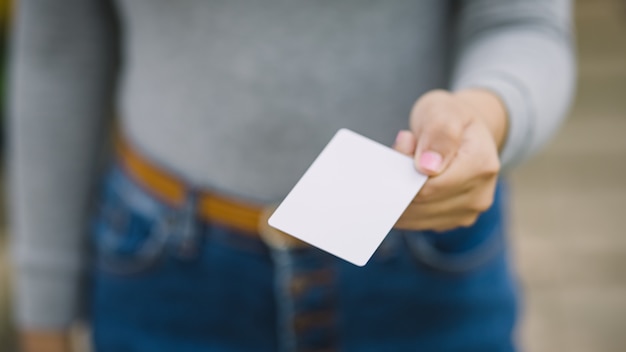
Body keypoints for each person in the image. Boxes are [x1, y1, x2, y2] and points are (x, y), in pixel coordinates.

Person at [8, 1, 575, 351]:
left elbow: (522, 19)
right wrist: (45, 312)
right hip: (165, 278)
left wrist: (485, 113)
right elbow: (58, 48)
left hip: (421, 272)